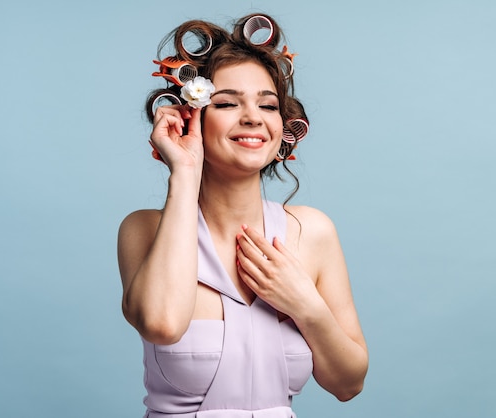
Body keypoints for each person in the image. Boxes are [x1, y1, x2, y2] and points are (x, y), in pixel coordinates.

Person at [117, 13, 368, 417]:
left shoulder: (313, 231)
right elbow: (161, 324)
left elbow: (348, 384)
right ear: (189, 117)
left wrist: (305, 305)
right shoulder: (144, 228)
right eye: (227, 102)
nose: (252, 117)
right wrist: (184, 172)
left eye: (267, 105)